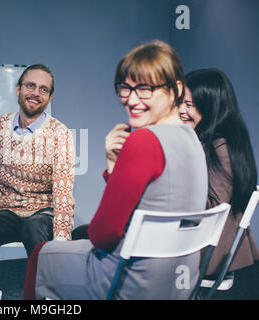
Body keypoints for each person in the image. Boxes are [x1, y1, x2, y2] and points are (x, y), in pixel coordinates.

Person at [24, 40, 208, 300]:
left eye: (145, 89)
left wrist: (117, 164)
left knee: (40, 254)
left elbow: (102, 235)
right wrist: (114, 164)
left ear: (175, 89)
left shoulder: (144, 140)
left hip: (129, 279)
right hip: (180, 281)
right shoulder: (192, 139)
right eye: (125, 88)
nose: (131, 100)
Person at [0, 64, 75, 278]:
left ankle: (48, 293)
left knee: (33, 228)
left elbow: (63, 191)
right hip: (10, 211)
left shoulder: (60, 134)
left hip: (43, 212)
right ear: (18, 88)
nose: (36, 93)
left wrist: (62, 241)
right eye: (30, 86)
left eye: (43, 89)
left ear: (50, 97)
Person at [178, 68, 259, 279]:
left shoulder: (219, 146)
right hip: (206, 249)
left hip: (211, 255)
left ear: (210, 108)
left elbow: (213, 207)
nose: (180, 110)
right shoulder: (213, 141)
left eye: (188, 105)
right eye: (179, 103)